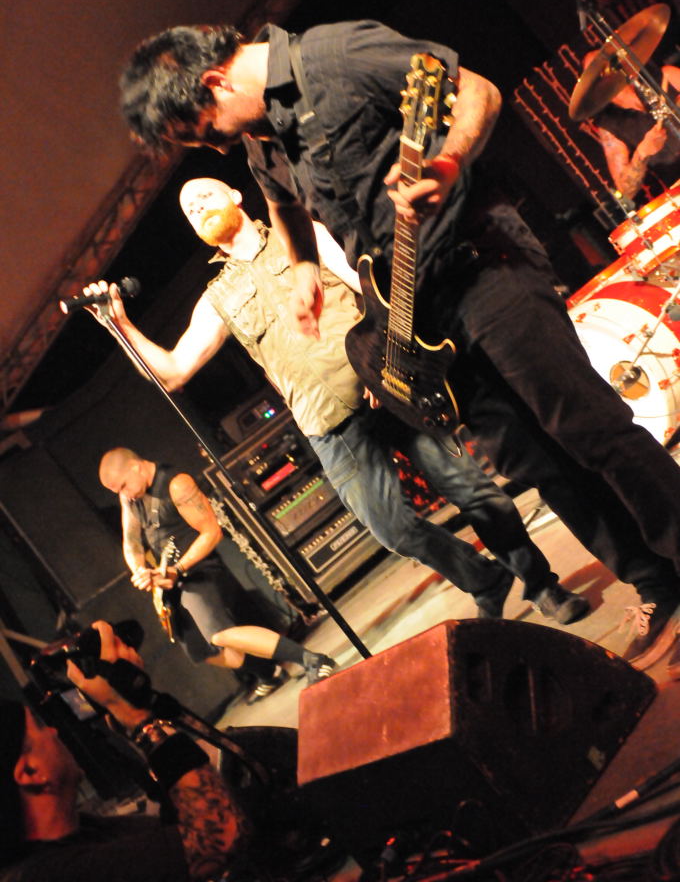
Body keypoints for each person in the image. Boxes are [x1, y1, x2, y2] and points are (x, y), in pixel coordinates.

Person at [117, 20, 680, 674]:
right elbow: (285, 207)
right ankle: (655, 585)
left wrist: (448, 160)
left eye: (204, 130)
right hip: (418, 311)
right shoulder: (263, 141)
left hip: (481, 264)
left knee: (587, 429)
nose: (214, 146)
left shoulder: (336, 55)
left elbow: (478, 92)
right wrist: (302, 268)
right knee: (535, 464)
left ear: (215, 83)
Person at [87, 178, 589, 626]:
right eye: (189, 210)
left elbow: (371, 289)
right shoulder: (218, 297)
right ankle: (484, 579)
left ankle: (541, 584)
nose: (197, 207)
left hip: (384, 385)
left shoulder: (300, 237)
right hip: (326, 424)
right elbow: (173, 370)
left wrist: (384, 356)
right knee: (393, 530)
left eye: (204, 196)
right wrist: (119, 324)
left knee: (473, 491)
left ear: (236, 196)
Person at [0, 620, 246, 881]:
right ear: (30, 771)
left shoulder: (83, 833)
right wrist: (137, 718)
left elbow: (174, 834)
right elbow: (221, 837)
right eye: (39, 727)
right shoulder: (47, 874)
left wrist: (130, 724)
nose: (53, 731)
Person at [98, 448, 336, 701]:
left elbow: (212, 532)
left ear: (135, 466)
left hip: (200, 570)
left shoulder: (176, 484)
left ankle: (313, 660)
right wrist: (140, 570)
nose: (124, 494)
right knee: (199, 650)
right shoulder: (130, 499)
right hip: (172, 580)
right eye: (117, 491)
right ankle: (269, 673)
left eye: (123, 486)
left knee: (218, 634)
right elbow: (131, 541)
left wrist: (179, 569)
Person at [584, 53, 680, 208]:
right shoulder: (610, 124)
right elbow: (626, 190)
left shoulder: (665, 76)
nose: (607, 72)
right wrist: (642, 153)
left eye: (608, 63)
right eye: (596, 73)